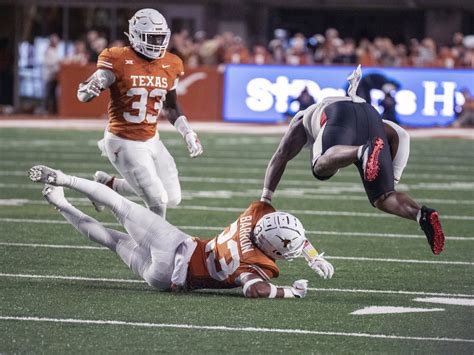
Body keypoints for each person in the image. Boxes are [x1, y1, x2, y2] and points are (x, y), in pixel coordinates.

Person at [28, 165, 334, 298]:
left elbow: (281, 232)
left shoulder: (252, 218)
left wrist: (311, 253)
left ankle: (64, 181)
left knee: (120, 206)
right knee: (110, 240)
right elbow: (255, 289)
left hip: (179, 246)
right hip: (166, 280)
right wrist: (291, 291)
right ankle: (60, 205)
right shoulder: (259, 264)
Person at [261, 65, 444, 255]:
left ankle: (362, 151)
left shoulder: (302, 120)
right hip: (373, 117)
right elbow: (401, 134)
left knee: (320, 168)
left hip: (340, 115)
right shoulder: (345, 122)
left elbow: (280, 157)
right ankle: (421, 215)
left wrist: (265, 200)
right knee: (384, 197)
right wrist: (390, 175)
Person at [76, 9, 203, 218]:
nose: (157, 42)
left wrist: (187, 132)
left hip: (151, 138)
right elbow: (84, 92)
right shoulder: (117, 58)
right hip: (123, 140)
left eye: (161, 37)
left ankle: (106, 185)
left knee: (173, 197)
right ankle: (155, 247)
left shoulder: (171, 63)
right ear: (135, 35)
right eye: (151, 37)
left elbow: (170, 105)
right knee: (157, 200)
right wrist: (88, 91)